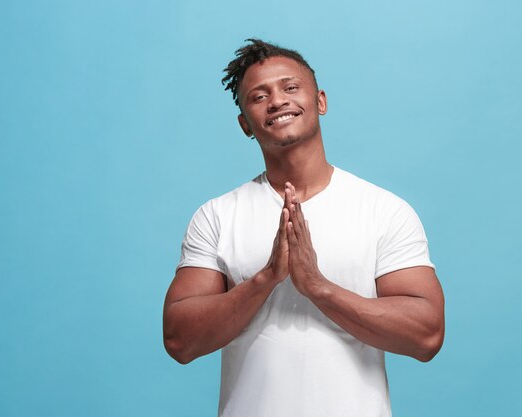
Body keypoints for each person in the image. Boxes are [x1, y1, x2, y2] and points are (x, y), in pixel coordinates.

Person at [163, 39, 445, 417]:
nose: (278, 101)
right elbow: (179, 340)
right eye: (259, 96)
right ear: (245, 124)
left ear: (321, 101)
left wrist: (318, 287)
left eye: (290, 87)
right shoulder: (216, 215)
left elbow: (427, 336)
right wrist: (266, 279)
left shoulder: (384, 210)